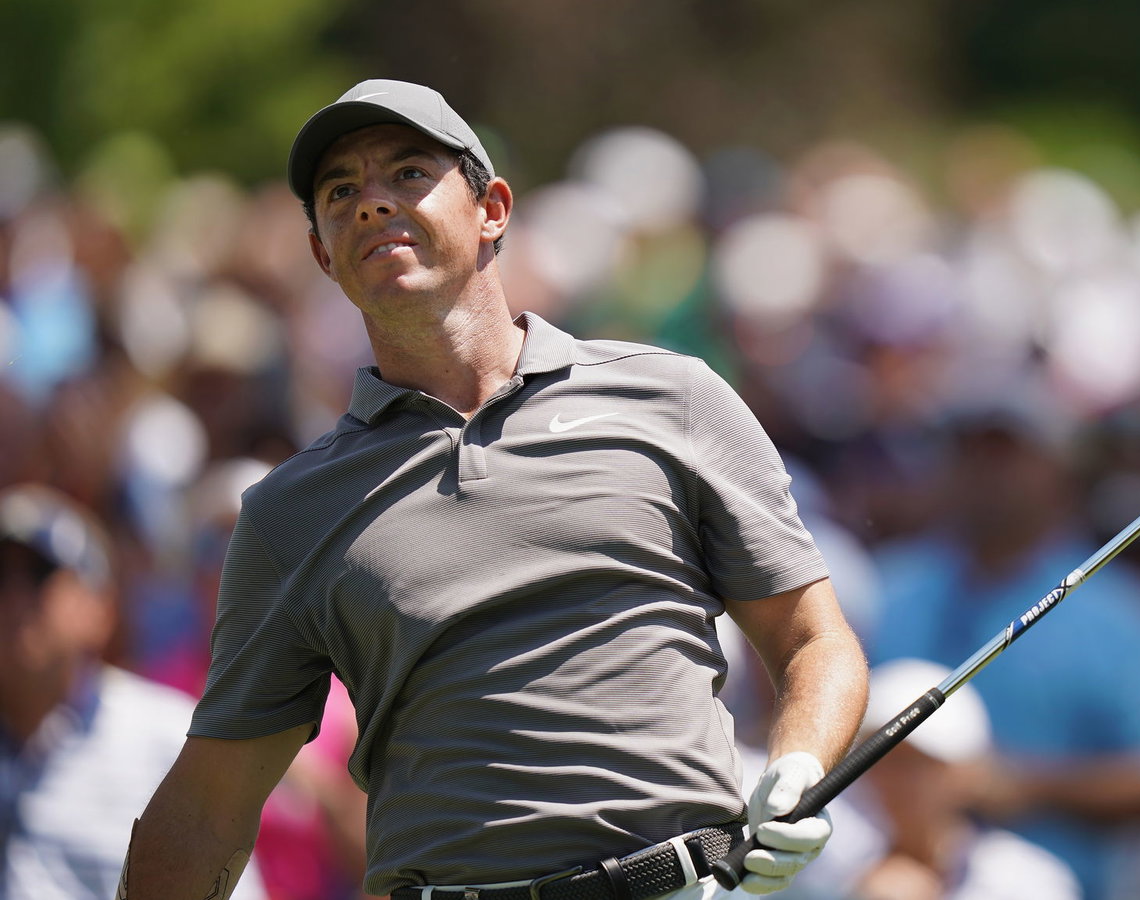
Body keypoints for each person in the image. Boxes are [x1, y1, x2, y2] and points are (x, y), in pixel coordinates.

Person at [120, 79, 868, 900]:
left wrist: (800, 764)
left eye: (409, 174)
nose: (372, 202)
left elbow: (812, 639)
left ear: (493, 210)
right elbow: (208, 809)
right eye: (340, 192)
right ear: (322, 254)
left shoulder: (674, 398)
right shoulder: (287, 513)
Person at [869, 388, 1140, 900]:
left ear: (1058, 471)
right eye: (968, 451)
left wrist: (1027, 786)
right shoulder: (890, 589)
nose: (983, 472)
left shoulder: (1120, 616)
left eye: (1004, 454)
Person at [0, 484, 266, 900]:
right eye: (1, 578)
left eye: (38, 575)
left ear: (101, 606)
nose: (13, 598)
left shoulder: (171, 737)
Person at [782, 658, 1082, 900]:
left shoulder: (1030, 882)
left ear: (968, 773)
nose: (891, 777)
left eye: (915, 762)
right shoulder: (812, 863)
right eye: (878, 758)